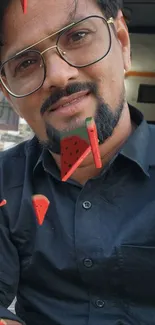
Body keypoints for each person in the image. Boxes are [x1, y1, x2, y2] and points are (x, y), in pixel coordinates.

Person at [0, 0, 155, 324]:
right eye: (25, 62)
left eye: (78, 35)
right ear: (10, 96)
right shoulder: (5, 181)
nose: (58, 75)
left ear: (122, 43)